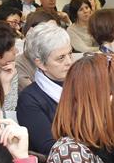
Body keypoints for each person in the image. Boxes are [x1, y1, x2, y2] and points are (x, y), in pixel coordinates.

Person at [16, 22, 73, 155]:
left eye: (70, 54)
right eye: (61, 58)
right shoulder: (29, 99)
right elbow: (49, 146)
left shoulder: (82, 84)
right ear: (40, 63)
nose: (69, 61)